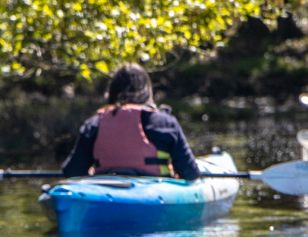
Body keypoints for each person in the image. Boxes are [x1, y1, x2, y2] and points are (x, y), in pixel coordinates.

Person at [61, 63, 202, 181]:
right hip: (154, 195)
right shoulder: (165, 123)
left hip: (105, 192)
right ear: (147, 91)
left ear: (112, 92)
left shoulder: (94, 124)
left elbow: (72, 171)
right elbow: (190, 174)